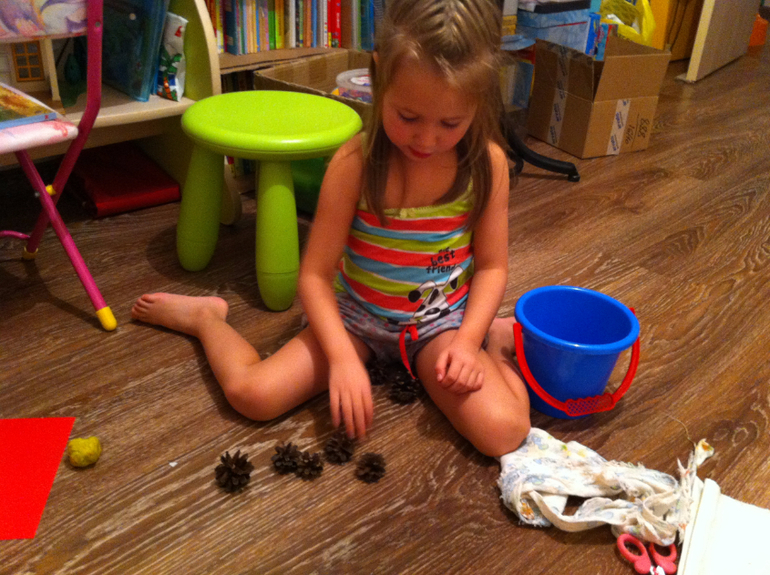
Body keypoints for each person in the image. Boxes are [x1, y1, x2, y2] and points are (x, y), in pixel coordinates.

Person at [132, 0, 530, 457]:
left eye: (450, 123)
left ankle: (496, 341)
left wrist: (468, 341)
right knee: (252, 395)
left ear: (478, 101)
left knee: (504, 432)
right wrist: (341, 357)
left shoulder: (487, 165)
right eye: (408, 117)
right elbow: (315, 276)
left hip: (439, 326)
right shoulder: (354, 163)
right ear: (378, 77)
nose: (426, 139)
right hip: (356, 318)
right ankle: (207, 319)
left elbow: (492, 267)